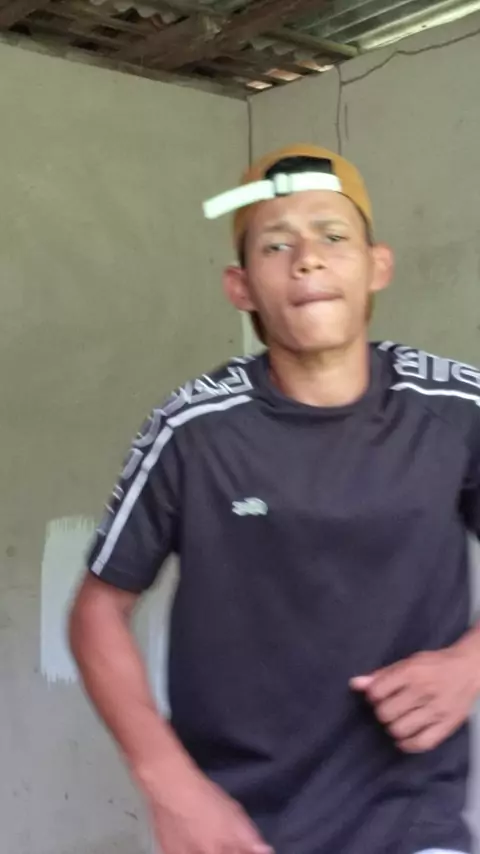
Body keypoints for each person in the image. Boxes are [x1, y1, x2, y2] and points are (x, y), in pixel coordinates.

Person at [69, 143, 480, 854]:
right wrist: (171, 784)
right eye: (276, 245)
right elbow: (97, 612)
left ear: (377, 265)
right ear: (241, 287)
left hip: (413, 824)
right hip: (240, 829)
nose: (307, 260)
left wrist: (470, 663)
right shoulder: (194, 430)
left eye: (332, 236)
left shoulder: (454, 409)